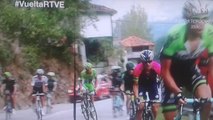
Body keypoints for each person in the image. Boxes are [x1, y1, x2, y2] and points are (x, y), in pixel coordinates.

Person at [160, 0, 213, 119]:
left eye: (204, 18)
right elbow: (165, 71)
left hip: (190, 70)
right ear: (188, 19)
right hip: (171, 75)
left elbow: (211, 68)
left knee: (207, 101)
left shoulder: (210, 33)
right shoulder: (174, 36)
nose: (201, 23)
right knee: (170, 116)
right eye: (196, 19)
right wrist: (177, 93)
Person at [133, 50, 161, 120]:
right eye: (145, 62)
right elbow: (135, 85)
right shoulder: (137, 69)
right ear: (142, 62)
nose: (148, 64)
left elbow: (163, 81)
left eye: (150, 61)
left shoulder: (157, 67)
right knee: (141, 106)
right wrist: (137, 97)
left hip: (152, 85)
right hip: (142, 85)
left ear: (152, 60)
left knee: (155, 107)